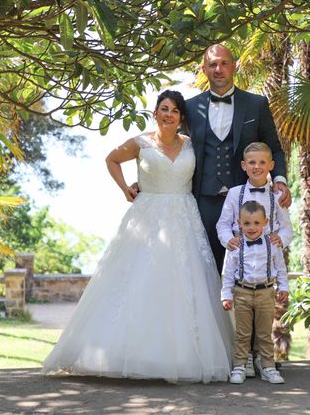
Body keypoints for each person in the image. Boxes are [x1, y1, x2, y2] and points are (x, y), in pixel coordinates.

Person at [42, 90, 232, 383]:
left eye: (175, 111)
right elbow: (111, 159)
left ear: (182, 118)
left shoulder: (191, 145)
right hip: (147, 215)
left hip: (184, 216)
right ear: (155, 112)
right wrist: (125, 189)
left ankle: (180, 357)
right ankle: (128, 354)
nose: (169, 114)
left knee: (183, 284)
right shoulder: (140, 143)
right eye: (164, 109)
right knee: (138, 280)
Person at [186, 44, 291, 274]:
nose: (218, 69)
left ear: (234, 66)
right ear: (204, 69)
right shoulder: (190, 108)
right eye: (212, 64)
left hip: (247, 201)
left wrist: (280, 179)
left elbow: (274, 148)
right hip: (203, 201)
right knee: (204, 271)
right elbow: (174, 149)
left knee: (250, 270)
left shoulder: (256, 104)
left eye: (224, 63)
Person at [216, 141, 293, 378]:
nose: (257, 167)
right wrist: (228, 239)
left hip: (267, 263)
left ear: (271, 165)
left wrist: (281, 239)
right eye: (252, 162)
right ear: (244, 166)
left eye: (262, 162)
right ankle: (243, 362)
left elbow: (286, 228)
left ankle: (265, 362)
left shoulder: (276, 195)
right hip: (241, 265)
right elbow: (223, 223)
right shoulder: (234, 193)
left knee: (263, 326)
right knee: (242, 326)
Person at [221, 201, 289, 385]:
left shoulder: (273, 245)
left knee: (264, 333)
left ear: (265, 222)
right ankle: (240, 366)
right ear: (239, 223)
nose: (252, 228)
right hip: (241, 292)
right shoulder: (234, 246)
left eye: (257, 223)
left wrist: (283, 288)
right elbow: (227, 273)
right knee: (242, 333)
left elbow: (281, 269)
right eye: (247, 223)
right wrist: (226, 295)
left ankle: (268, 367)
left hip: (266, 293)